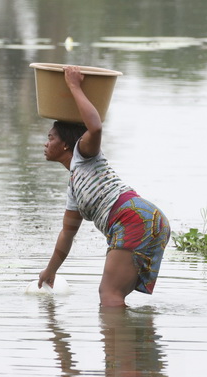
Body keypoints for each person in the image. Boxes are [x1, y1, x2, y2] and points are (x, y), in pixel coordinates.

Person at [38, 66, 170, 308]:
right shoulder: (75, 187)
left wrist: (74, 86)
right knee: (113, 298)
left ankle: (119, 341)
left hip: (133, 219)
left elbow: (95, 128)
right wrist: (50, 270)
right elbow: (67, 234)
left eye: (50, 138)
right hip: (147, 220)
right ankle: (130, 344)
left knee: (108, 295)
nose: (46, 144)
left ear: (66, 144)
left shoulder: (84, 153)